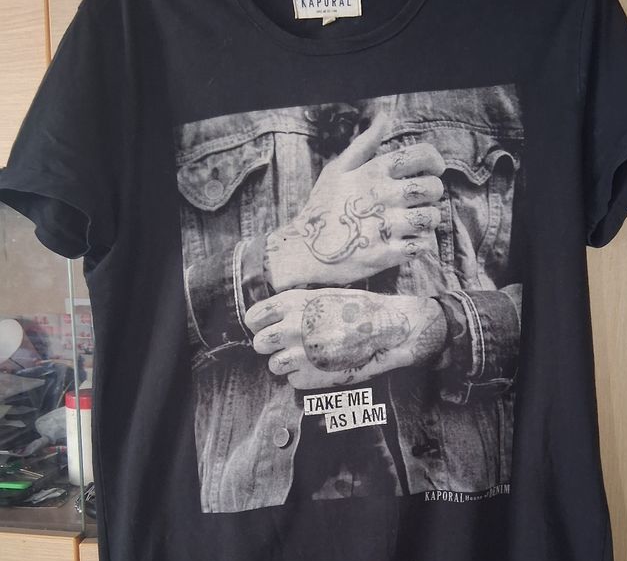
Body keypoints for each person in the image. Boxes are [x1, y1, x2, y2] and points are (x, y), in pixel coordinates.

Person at [174, 86, 523, 512]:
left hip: (462, 511)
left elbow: (569, 312)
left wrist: (426, 326)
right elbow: (129, 334)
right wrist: (285, 255)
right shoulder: (169, 100)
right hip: (246, 522)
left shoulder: (502, 94)